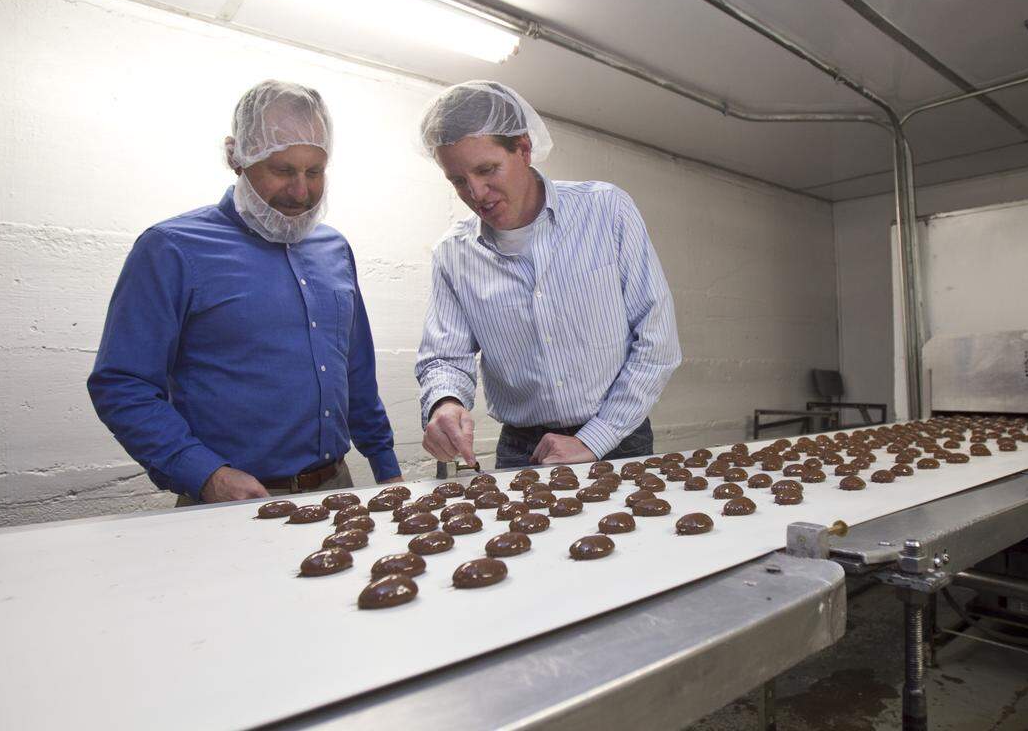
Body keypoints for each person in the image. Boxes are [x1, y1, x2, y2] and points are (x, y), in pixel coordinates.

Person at [88, 80, 401, 504]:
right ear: (237, 158)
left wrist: (387, 469)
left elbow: (356, 372)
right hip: (229, 500)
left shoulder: (334, 249)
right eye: (283, 170)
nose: (301, 191)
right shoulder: (171, 248)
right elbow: (121, 383)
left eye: (314, 171)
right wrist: (205, 474)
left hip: (334, 490)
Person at [415, 81, 681, 469]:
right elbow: (445, 357)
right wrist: (445, 401)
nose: (476, 192)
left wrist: (594, 439)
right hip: (522, 450)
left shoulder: (606, 210)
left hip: (618, 438)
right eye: (457, 180)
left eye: (487, 169)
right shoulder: (452, 254)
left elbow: (657, 341)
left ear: (523, 149)